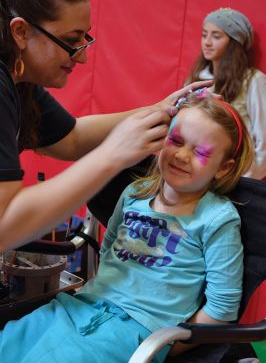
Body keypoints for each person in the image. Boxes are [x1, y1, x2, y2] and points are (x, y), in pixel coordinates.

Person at [0, 90, 254, 362]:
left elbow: (222, 308)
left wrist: (162, 345)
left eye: (200, 152)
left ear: (224, 168)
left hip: (135, 331)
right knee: (10, 340)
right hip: (80, 306)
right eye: (176, 141)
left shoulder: (217, 218)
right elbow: (108, 249)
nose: (181, 155)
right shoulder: (135, 194)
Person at [0, 0, 212, 252]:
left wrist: (157, 109)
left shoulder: (18, 79)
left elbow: (71, 138)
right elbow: (4, 227)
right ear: (21, 32)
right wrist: (113, 156)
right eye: (71, 41)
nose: (82, 58)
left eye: (84, 38)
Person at [186, 7, 266, 179]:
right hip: (196, 170)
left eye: (216, 36)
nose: (207, 42)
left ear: (234, 42)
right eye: (204, 34)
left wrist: (249, 179)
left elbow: (263, 137)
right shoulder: (197, 78)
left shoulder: (252, 80)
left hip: (236, 174)